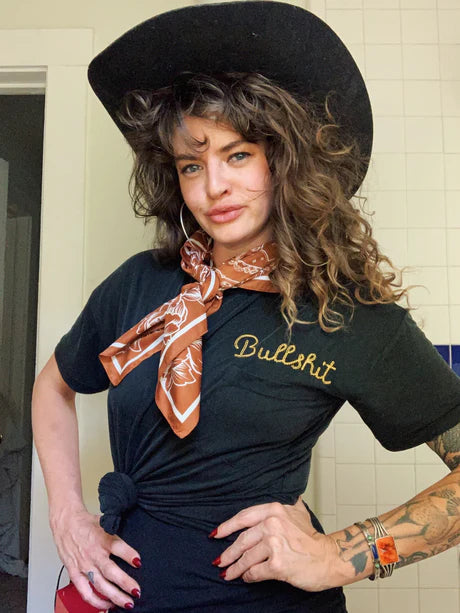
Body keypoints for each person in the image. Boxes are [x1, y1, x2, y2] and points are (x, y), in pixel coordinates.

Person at [32, 2, 460, 612]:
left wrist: (343, 554)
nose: (214, 186)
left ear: (284, 160)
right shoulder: (139, 284)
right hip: (122, 595)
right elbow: (53, 387)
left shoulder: (347, 314)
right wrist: (68, 516)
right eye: (191, 165)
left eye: (237, 155)